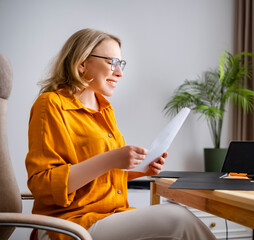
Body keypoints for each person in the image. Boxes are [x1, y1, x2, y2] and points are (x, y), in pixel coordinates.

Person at [25, 28, 216, 240]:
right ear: (82, 63)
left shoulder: (105, 109)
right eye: (112, 62)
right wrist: (112, 159)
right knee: (177, 218)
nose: (119, 72)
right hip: (69, 224)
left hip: (111, 215)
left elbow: (101, 175)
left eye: (121, 64)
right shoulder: (50, 104)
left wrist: (141, 168)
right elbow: (43, 185)